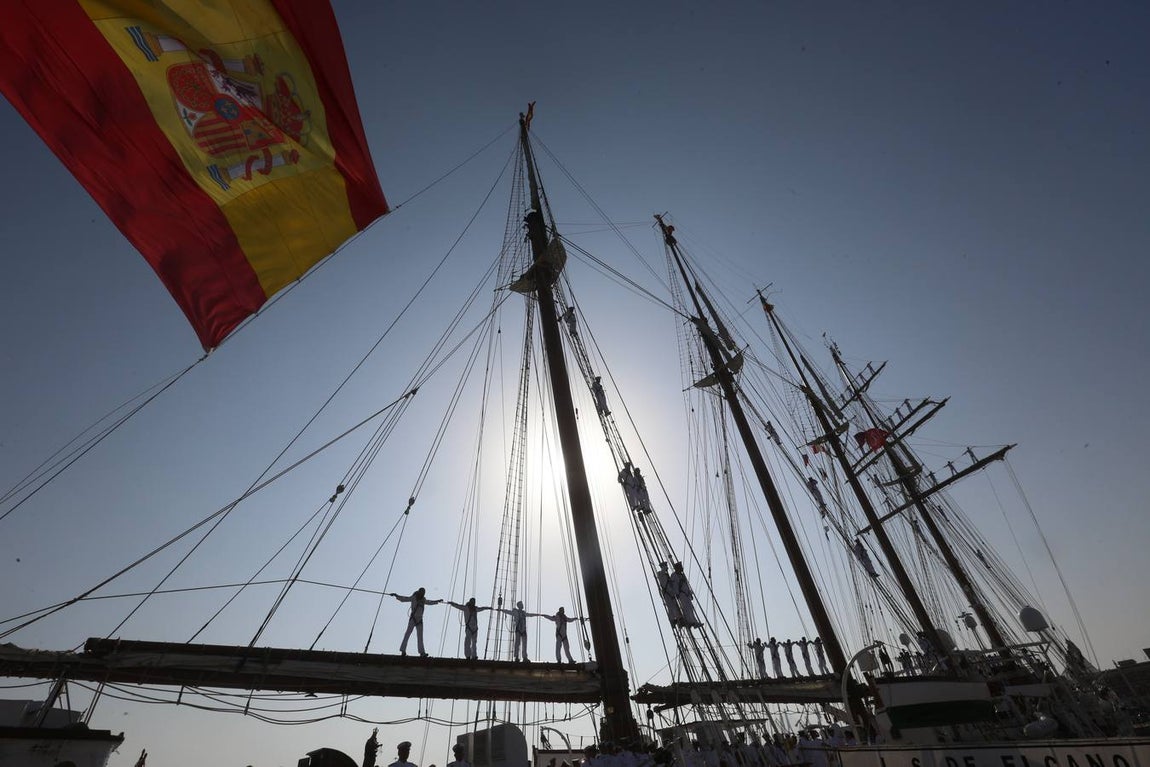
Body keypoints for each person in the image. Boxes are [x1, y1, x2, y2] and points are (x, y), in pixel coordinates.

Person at [393, 587, 442, 657]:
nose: (423, 594)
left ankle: (422, 652)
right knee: (407, 634)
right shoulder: (414, 597)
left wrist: (437, 601)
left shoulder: (423, 599)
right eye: (422, 592)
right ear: (419, 592)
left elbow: (429, 602)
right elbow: (404, 599)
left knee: (420, 636)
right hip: (413, 619)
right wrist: (396, 596)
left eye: (424, 593)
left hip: (419, 619)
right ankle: (403, 650)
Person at [669, 562, 702, 628]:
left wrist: (690, 593)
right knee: (686, 608)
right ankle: (690, 622)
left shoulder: (682, 575)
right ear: (677, 568)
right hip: (682, 594)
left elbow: (686, 585)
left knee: (690, 608)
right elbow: (674, 585)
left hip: (687, 594)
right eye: (681, 567)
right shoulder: (674, 575)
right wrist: (677, 593)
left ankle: (694, 622)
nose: (682, 568)